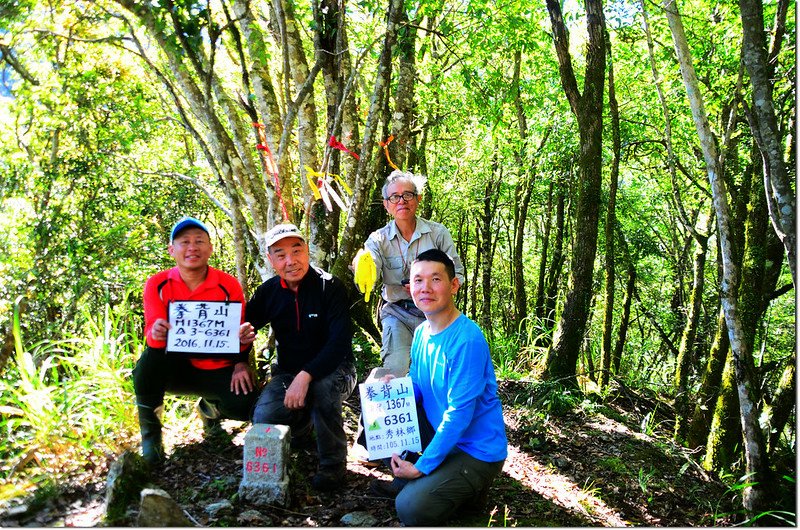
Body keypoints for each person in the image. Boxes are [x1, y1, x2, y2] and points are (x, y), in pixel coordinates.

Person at [369, 249, 507, 526]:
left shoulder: (467, 339)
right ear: (409, 288)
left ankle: (468, 490)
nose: (426, 288)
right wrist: (398, 390)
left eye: (436, 279)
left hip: (474, 451)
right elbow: (420, 385)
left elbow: (459, 415)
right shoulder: (422, 332)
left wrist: (421, 468)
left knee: (410, 508)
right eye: (418, 281)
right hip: (438, 434)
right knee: (377, 407)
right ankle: (419, 478)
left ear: (453, 285)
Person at [240, 223, 357, 491]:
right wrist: (239, 357)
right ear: (270, 260)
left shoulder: (330, 287)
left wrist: (306, 375)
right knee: (265, 417)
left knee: (322, 388)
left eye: (297, 250)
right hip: (288, 374)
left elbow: (339, 344)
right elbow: (243, 327)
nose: (291, 261)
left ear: (307, 251)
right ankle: (303, 430)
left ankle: (333, 466)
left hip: (337, 371)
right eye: (280, 254)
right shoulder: (268, 292)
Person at [134, 216, 256, 466]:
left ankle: (210, 409)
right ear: (172, 250)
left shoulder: (227, 285)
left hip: (216, 367)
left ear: (210, 248)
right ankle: (151, 441)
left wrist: (243, 346)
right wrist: (156, 333)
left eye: (199, 241)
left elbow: (237, 340)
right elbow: (153, 340)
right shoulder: (157, 284)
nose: (192, 247)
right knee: (146, 365)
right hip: (175, 368)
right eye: (184, 242)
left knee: (245, 405)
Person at [357, 170, 465, 376]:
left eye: (408, 195)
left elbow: (457, 274)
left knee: (438, 372)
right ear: (386, 205)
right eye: (394, 197)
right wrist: (362, 267)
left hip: (436, 313)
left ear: (418, 199)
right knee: (394, 370)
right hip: (398, 312)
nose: (401, 201)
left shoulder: (437, 233)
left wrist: (431, 286)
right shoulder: (378, 239)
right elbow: (370, 271)